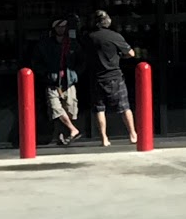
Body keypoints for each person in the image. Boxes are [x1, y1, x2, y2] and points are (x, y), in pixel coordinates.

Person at [85, 9, 139, 147]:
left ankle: (104, 138)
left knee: (100, 109)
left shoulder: (89, 37)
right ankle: (133, 134)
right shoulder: (115, 36)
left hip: (97, 77)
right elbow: (131, 53)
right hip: (115, 75)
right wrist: (120, 56)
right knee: (124, 107)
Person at [35, 18, 81, 146]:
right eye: (59, 27)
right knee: (55, 108)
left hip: (68, 81)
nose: (61, 29)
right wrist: (46, 75)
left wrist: (75, 74)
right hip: (52, 82)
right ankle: (73, 130)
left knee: (70, 108)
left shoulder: (73, 44)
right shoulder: (45, 45)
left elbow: (81, 60)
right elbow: (37, 62)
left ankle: (62, 135)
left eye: (64, 27)